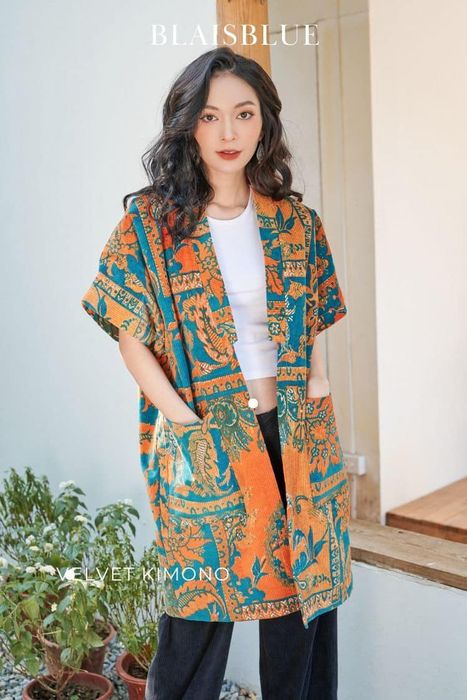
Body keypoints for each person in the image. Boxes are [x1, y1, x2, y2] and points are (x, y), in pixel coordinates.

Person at [81, 46, 352, 700]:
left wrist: (317, 386)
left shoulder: (296, 224)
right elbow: (130, 337)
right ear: (187, 125)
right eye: (209, 116)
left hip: (295, 432)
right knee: (200, 605)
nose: (228, 132)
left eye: (243, 113)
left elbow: (314, 313)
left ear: (265, 123)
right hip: (204, 433)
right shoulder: (149, 226)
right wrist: (184, 423)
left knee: (304, 603)